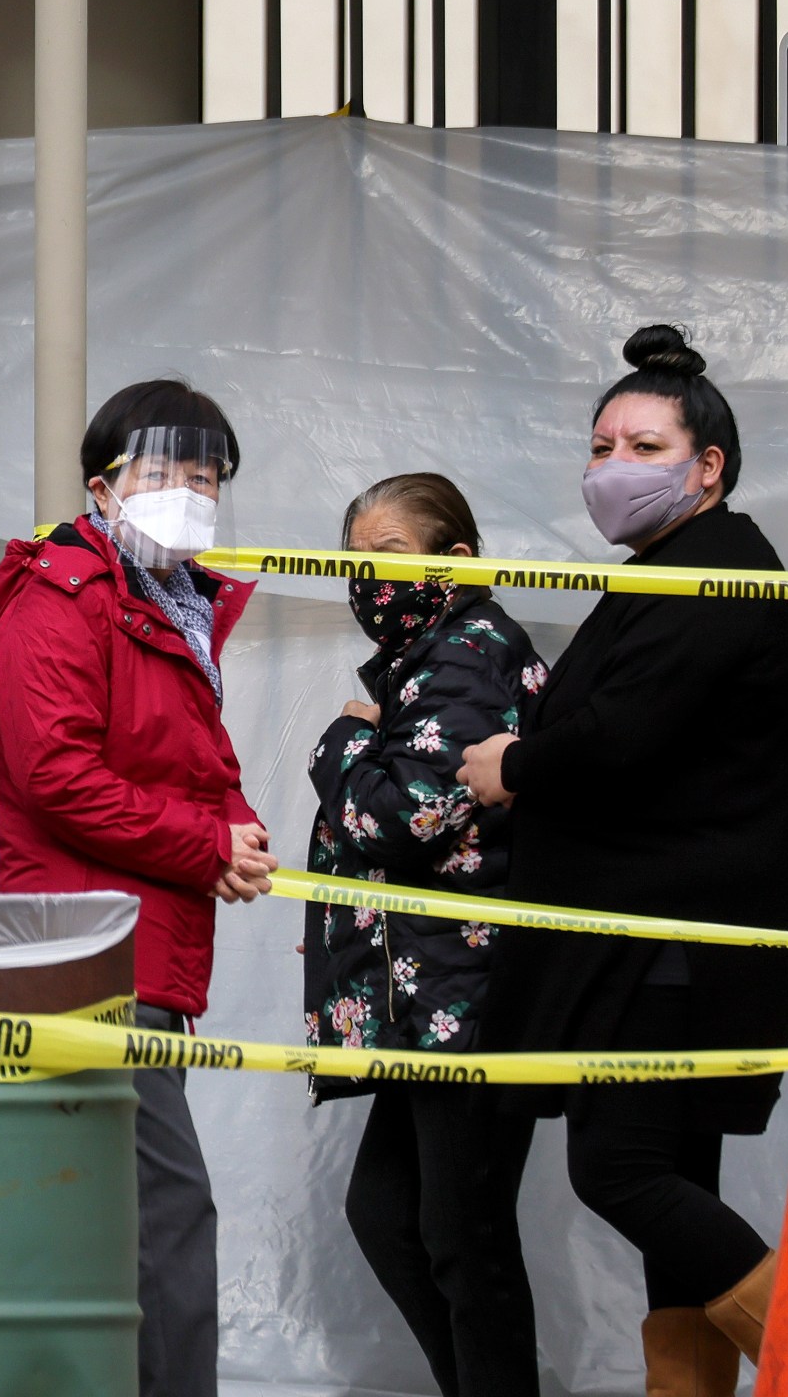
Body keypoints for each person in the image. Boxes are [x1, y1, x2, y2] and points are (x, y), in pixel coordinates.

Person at [460, 325, 788, 1392]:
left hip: (668, 944)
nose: (611, 467)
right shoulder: (676, 564)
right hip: (667, 931)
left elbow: (622, 734)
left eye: (644, 447)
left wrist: (512, 762)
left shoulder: (715, 568)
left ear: (707, 466)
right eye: (601, 445)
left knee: (617, 1168)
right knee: (668, 1174)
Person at [0, 378, 274, 1397]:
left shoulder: (169, 600)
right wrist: (206, 844)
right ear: (100, 486)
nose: (185, 493)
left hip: (134, 948)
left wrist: (229, 825)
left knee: (105, 1223)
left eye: (204, 476)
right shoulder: (64, 594)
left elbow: (171, 758)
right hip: (83, 951)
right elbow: (54, 774)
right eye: (160, 471)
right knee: (162, 1218)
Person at [302, 474, 546, 1397]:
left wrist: (342, 740)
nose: (368, 579)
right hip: (429, 990)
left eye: (388, 556)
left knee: (462, 1238)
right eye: (356, 560)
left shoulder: (468, 657)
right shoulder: (429, 662)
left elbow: (396, 821)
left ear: (457, 561)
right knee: (394, 1215)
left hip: (467, 996)